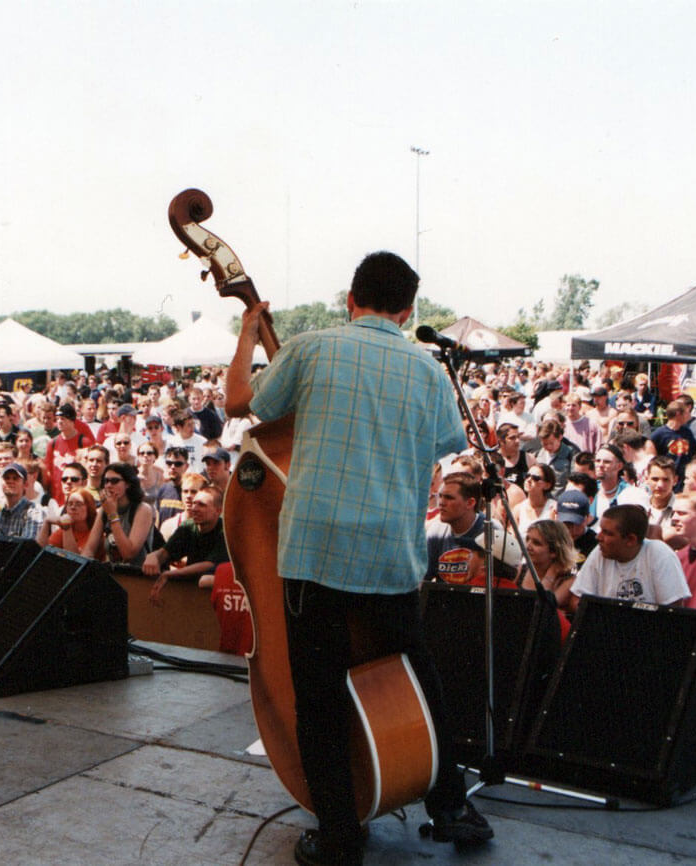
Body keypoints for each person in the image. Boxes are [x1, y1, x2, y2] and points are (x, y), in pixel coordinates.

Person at [225, 251, 490, 862]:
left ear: (351, 298)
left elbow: (242, 401)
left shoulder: (314, 348)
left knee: (317, 695)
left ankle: (341, 835)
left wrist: (247, 334)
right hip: (391, 553)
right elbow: (448, 443)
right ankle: (451, 805)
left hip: (315, 552)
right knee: (420, 678)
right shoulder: (426, 371)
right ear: (407, 311)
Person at [570, 504, 691, 606]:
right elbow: (578, 600)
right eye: (601, 530)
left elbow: (673, 609)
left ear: (631, 540)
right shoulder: (600, 552)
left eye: (607, 533)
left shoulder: (660, 554)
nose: (598, 537)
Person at [145, 486, 229, 604]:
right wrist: (154, 556)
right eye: (194, 503)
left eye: (202, 505)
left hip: (217, 595)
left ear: (218, 511)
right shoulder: (187, 527)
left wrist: (171, 574)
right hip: (190, 593)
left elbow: (209, 565)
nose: (194, 508)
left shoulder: (225, 531)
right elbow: (166, 552)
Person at [88, 462, 155, 567]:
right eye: (106, 481)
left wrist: (113, 515)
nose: (109, 485)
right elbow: (89, 549)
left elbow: (128, 554)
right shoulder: (104, 510)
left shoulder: (142, 509)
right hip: (113, 575)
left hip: (138, 577)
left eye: (115, 481)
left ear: (128, 484)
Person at [0, 463, 43, 539]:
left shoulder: (34, 511)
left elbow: (27, 545)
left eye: (15, 478)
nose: (10, 481)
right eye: (6, 478)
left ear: (25, 485)